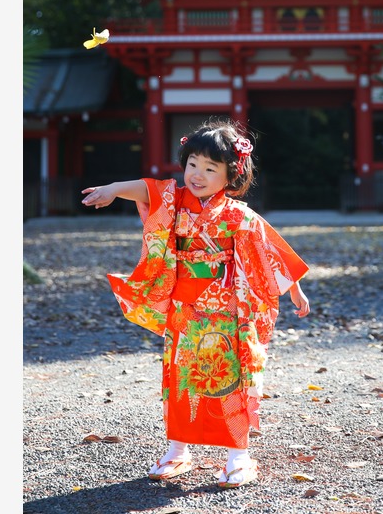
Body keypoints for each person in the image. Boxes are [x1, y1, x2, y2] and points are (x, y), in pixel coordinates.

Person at [81, 118, 311, 489]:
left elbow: (270, 254)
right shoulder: (175, 201)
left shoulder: (238, 216)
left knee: (229, 379)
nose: (197, 174)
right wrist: (111, 189)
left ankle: (239, 455)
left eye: (210, 168)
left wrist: (294, 289)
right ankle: (178, 448)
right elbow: (148, 190)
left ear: (231, 175)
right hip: (184, 308)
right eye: (192, 164)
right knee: (179, 377)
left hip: (227, 310)